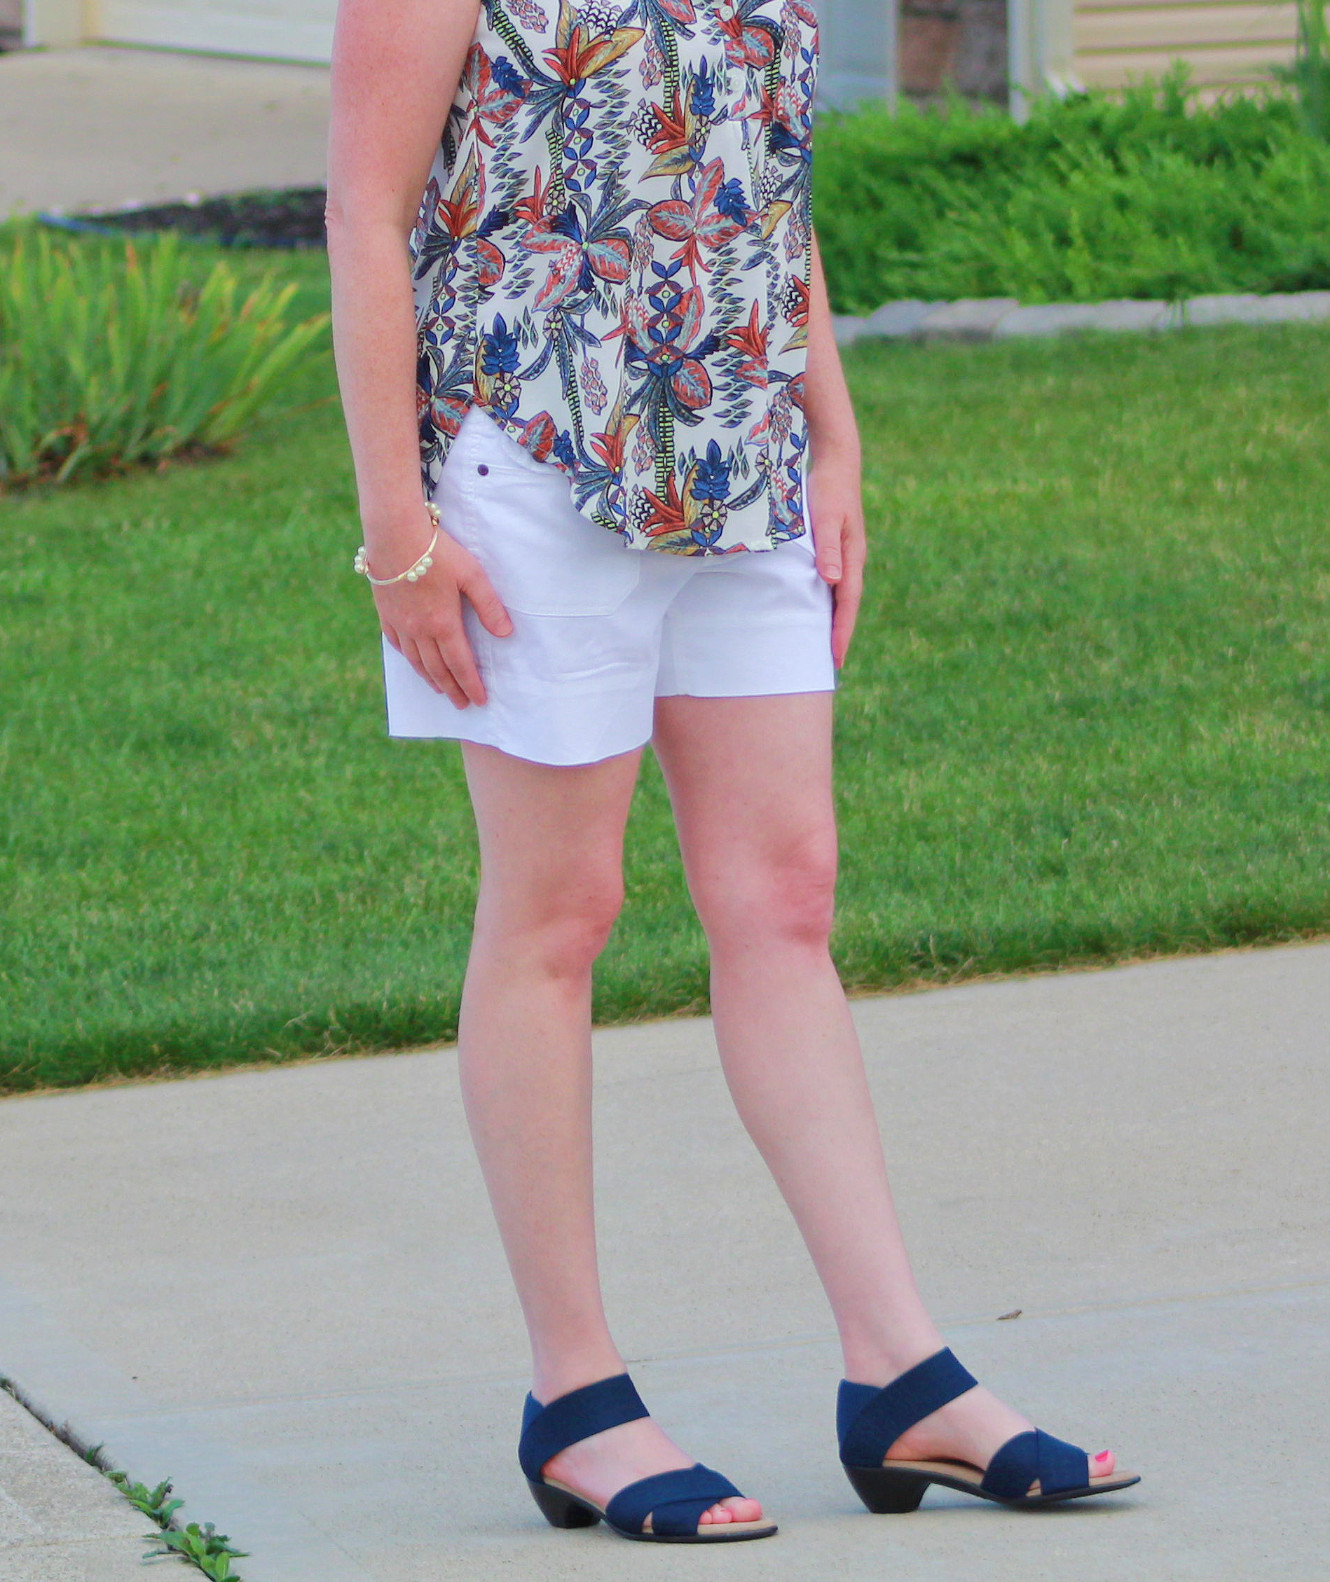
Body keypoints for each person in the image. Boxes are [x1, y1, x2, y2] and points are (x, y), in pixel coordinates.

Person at [324, 0, 1138, 1544]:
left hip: (741, 450)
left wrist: (832, 435)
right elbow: (363, 209)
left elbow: (766, 170)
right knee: (559, 914)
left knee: (784, 898)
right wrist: (395, 537)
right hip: (534, 464)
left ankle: (899, 1371)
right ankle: (576, 1398)